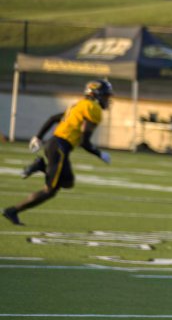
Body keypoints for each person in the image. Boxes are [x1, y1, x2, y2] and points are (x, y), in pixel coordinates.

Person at [4, 80, 113, 226]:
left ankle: (40, 168)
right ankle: (13, 210)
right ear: (96, 95)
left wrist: (38, 137)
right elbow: (84, 142)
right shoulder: (93, 109)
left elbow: (53, 118)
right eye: (105, 96)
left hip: (55, 144)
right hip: (59, 147)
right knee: (49, 190)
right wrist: (99, 154)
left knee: (68, 182)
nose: (107, 99)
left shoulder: (79, 104)